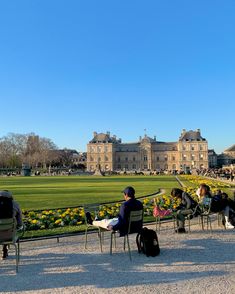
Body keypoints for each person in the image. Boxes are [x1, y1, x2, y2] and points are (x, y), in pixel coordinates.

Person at [0, 190, 23, 259]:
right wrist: (20, 226)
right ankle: (5, 247)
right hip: (9, 236)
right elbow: (20, 222)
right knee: (7, 230)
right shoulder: (15, 204)